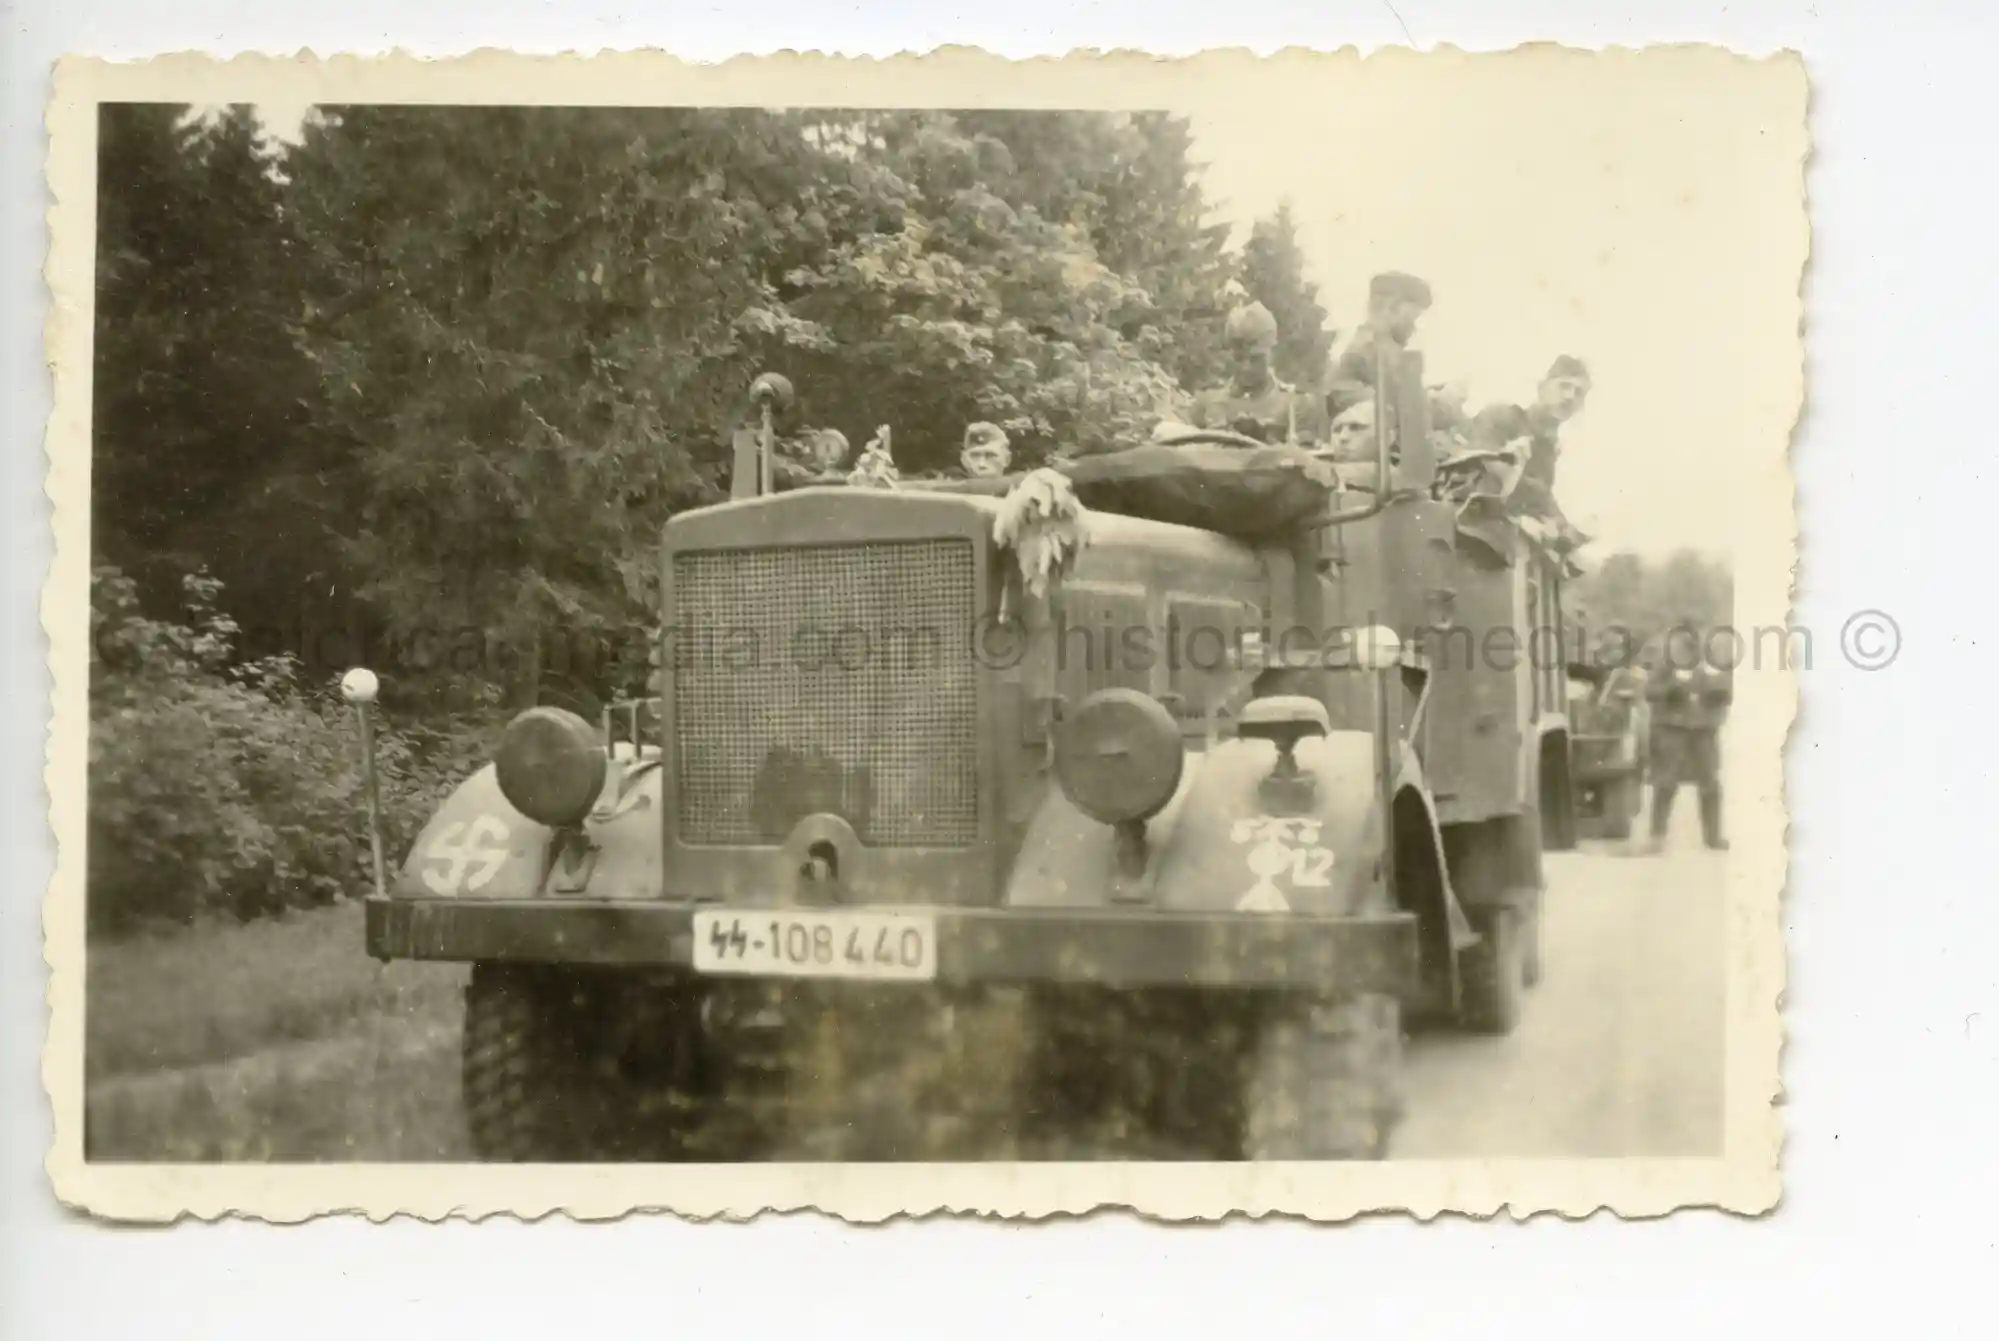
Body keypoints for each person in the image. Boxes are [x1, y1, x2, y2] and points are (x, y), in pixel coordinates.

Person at [1644, 619, 1732, 852]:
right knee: (1665, 783)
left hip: (1703, 730)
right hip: (1672, 729)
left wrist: (1716, 690)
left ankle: (1713, 837)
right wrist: (1672, 688)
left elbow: (1727, 692)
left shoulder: (1711, 665)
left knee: (1710, 784)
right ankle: (1657, 836)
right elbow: (1650, 692)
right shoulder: (1665, 664)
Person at [1181, 299, 1321, 445]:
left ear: (1271, 353)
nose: (1246, 367)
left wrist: (1264, 435)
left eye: (1256, 359)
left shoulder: (1294, 403)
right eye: (1239, 359)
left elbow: (1305, 456)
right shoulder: (1207, 399)